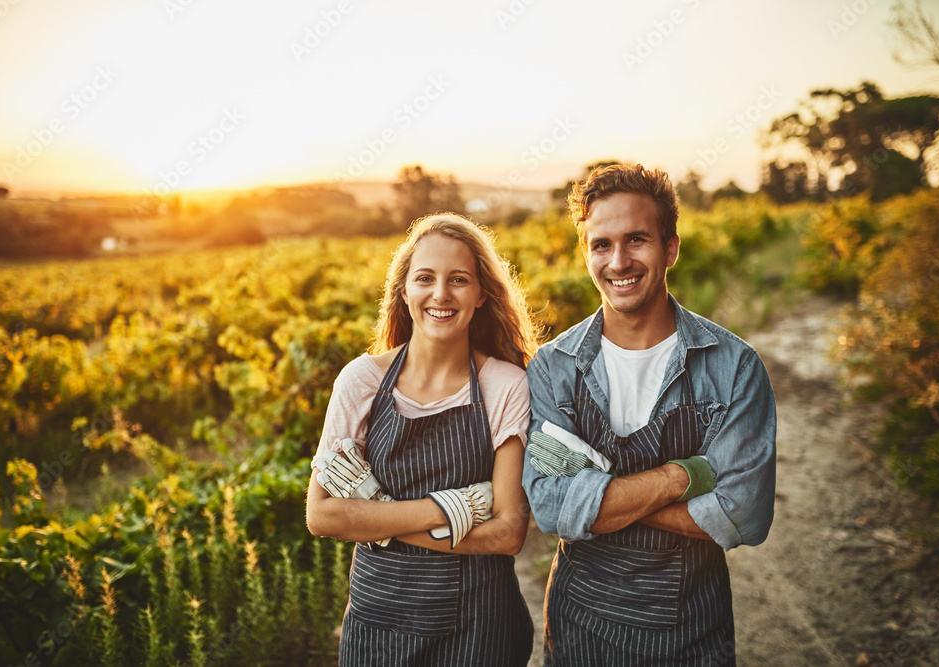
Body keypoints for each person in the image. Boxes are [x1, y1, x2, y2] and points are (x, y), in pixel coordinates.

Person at [522, 164, 776, 665]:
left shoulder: (733, 366)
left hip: (691, 633)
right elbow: (550, 508)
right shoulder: (553, 367)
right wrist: (687, 474)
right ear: (586, 252)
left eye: (637, 239)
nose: (619, 261)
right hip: (579, 630)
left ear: (671, 249)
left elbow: (744, 514)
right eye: (601, 244)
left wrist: (597, 495)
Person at [305, 213, 539, 666]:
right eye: (425, 278)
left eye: (459, 280)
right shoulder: (361, 382)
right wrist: (454, 508)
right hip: (379, 626)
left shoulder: (507, 386)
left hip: (481, 627)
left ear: (480, 294)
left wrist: (378, 521)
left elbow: (508, 533)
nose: (441, 294)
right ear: (404, 290)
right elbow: (322, 514)